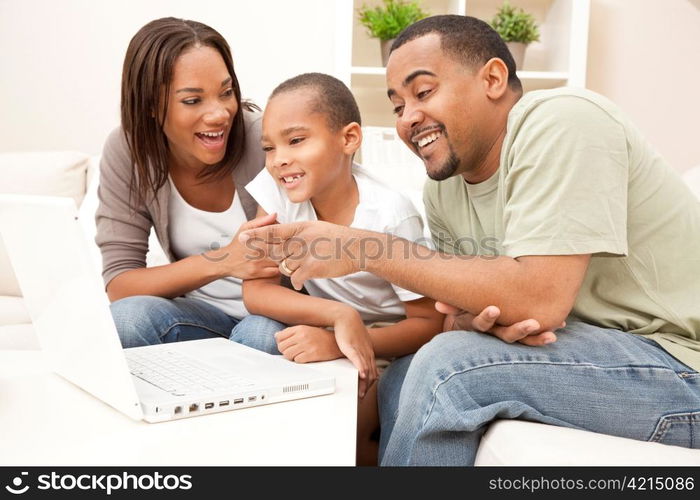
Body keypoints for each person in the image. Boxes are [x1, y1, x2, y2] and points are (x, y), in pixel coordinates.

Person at [239, 15, 700, 465]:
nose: (408, 119)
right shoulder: (443, 190)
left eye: (423, 92)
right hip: (584, 350)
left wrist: (363, 247)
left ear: (493, 78)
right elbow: (462, 315)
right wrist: (478, 323)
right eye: (398, 106)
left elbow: (539, 297)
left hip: (679, 364)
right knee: (403, 374)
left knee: (450, 369)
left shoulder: (562, 119)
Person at [234, 73, 444, 465]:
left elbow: (428, 323)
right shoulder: (281, 190)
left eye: (296, 140)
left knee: (356, 411)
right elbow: (255, 290)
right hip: (330, 325)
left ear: (348, 139)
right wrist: (336, 316)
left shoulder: (390, 215)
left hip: (390, 340)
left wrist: (342, 343)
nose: (279, 159)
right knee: (254, 334)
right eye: (269, 147)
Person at [96, 17, 280, 348]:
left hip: (275, 313)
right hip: (199, 316)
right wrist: (225, 259)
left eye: (226, 92)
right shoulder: (130, 151)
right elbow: (120, 285)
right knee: (127, 319)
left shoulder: (264, 140)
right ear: (152, 105)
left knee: (259, 337)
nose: (220, 114)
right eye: (193, 100)